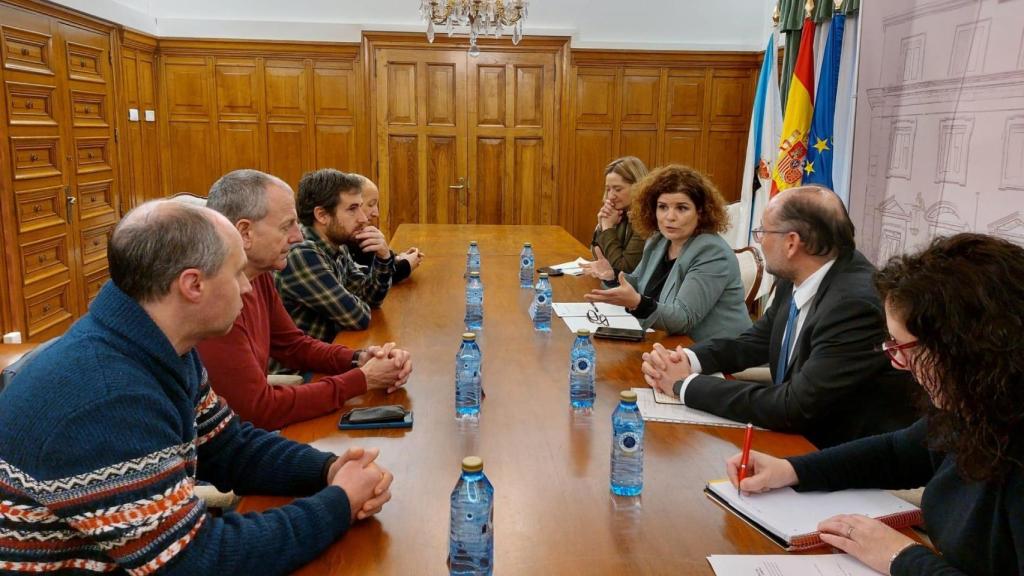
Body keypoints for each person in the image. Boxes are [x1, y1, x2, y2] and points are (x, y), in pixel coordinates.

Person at [0, 201, 393, 574]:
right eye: (237, 273)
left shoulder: (160, 345)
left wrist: (326, 469)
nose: (248, 288)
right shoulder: (107, 397)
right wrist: (339, 503)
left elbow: (229, 445)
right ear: (193, 285)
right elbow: (198, 561)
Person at [727, 233, 1024, 576]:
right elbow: (898, 452)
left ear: (969, 348)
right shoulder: (974, 405)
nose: (899, 364)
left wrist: (902, 557)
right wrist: (793, 470)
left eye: (904, 348)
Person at [641, 185, 917, 448]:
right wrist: (687, 359)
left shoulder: (853, 305)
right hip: (798, 434)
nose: (759, 241)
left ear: (791, 243)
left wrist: (684, 385)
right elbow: (756, 341)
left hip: (837, 452)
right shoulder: (801, 273)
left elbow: (794, 407)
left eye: (762, 232)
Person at [198, 169, 413, 431]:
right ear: (245, 232)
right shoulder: (213, 299)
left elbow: (293, 345)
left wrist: (359, 358)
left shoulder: (259, 273)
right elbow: (259, 410)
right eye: (287, 225)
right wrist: (361, 380)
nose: (298, 236)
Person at [584, 165, 752, 341]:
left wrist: (638, 303)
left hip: (717, 354)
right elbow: (638, 283)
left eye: (681, 208)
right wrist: (613, 276)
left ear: (701, 212)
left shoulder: (711, 253)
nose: (670, 217)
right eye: (663, 207)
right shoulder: (659, 240)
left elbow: (683, 318)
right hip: (669, 344)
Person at [276, 169, 395, 342]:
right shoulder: (301, 253)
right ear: (322, 215)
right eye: (353, 209)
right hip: (300, 368)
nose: (363, 218)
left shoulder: (336, 244)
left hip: (328, 355)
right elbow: (357, 317)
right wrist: (358, 300)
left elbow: (370, 298)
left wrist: (383, 258)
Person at [581, 156, 650, 278]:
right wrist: (601, 226)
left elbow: (623, 269)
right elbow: (598, 257)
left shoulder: (646, 219)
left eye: (618, 189)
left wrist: (607, 228)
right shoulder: (618, 213)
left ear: (638, 187)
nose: (611, 196)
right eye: (608, 189)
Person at [348, 173, 423, 283]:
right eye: (371, 205)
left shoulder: (358, 236)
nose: (376, 213)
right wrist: (405, 265)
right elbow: (367, 279)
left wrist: (395, 258)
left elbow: (373, 263)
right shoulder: (339, 239)